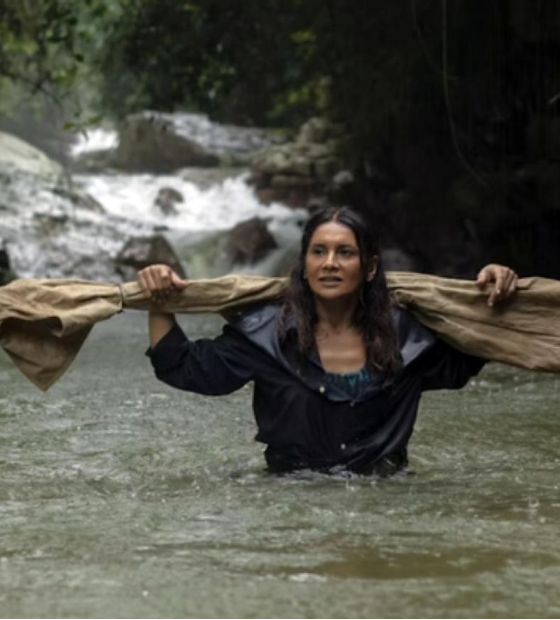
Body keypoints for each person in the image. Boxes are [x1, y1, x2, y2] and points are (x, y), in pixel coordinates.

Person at [137, 207, 518, 476]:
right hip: (292, 504)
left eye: (345, 252)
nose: (330, 262)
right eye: (318, 252)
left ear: (369, 267)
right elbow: (181, 366)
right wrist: (159, 300)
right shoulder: (265, 335)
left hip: (388, 502)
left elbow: (476, 346)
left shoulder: (410, 339)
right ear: (304, 264)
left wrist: (494, 289)